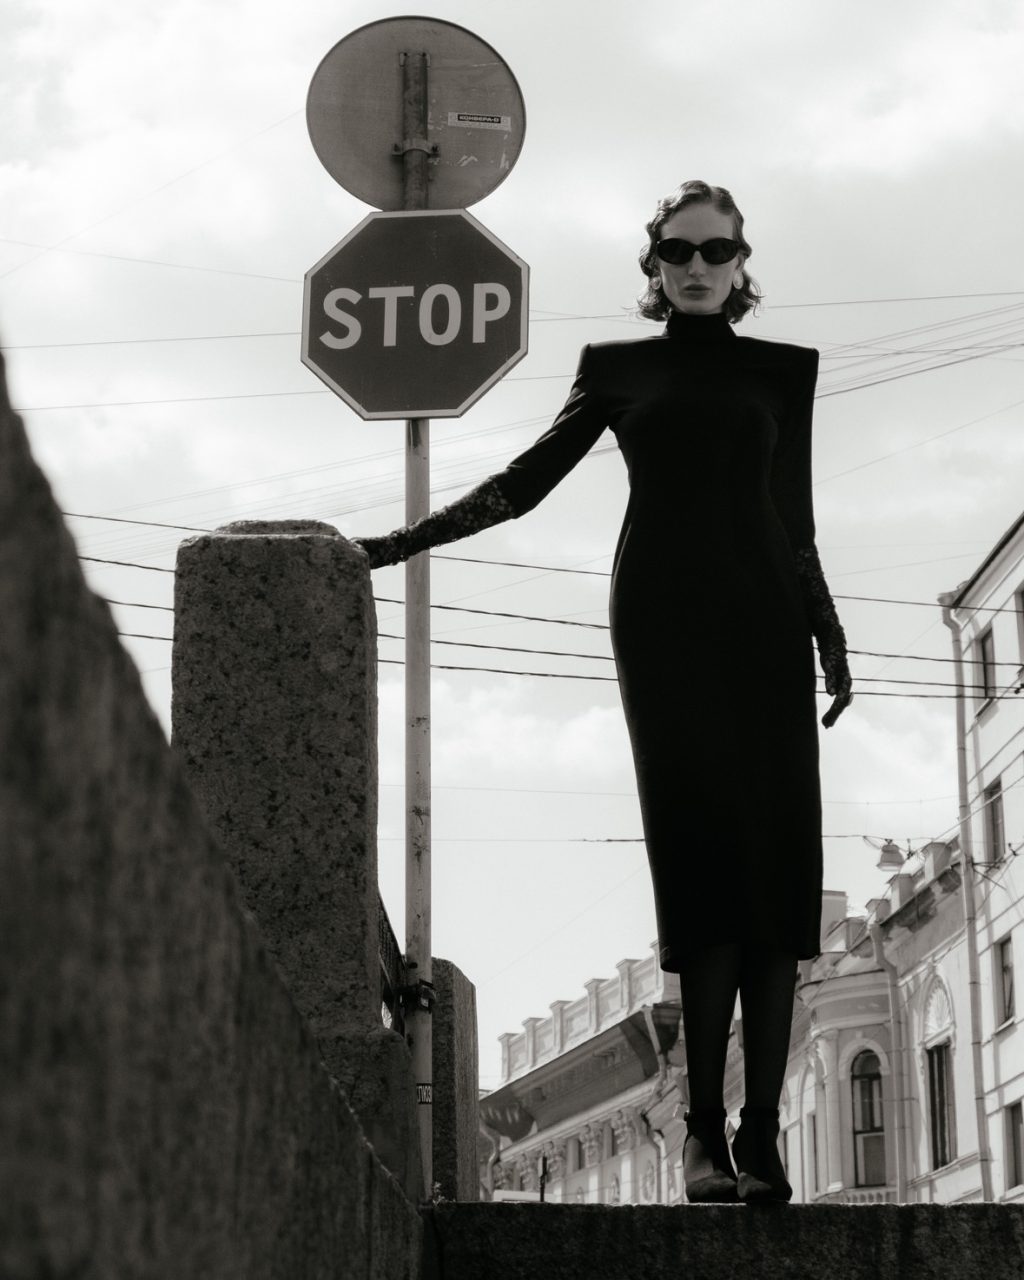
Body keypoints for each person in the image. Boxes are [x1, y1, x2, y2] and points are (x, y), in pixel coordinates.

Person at [353, 179, 853, 1205]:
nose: (698, 267)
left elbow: (793, 517)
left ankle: (763, 1137)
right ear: (654, 265)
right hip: (664, 630)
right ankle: (703, 1138)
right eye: (679, 251)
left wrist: (829, 636)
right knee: (702, 875)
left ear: (742, 264)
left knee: (774, 881)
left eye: (717, 251)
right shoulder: (617, 368)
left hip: (767, 630)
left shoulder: (784, 371)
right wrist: (401, 542)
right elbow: (526, 481)